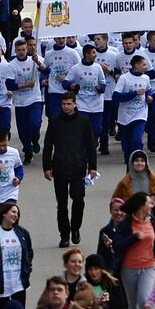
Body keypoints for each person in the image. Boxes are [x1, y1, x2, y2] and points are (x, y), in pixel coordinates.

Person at [41, 91, 99, 248]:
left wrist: (92, 167)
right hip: (59, 168)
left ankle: (75, 228)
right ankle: (64, 235)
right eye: (63, 104)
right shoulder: (54, 122)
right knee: (62, 204)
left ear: (75, 104)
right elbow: (47, 146)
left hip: (78, 167)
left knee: (78, 199)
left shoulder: (83, 121)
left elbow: (90, 145)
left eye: (69, 104)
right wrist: (47, 167)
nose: (66, 107)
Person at [113, 192, 155, 309]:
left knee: (144, 301)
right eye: (149, 203)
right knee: (132, 306)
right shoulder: (126, 224)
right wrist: (134, 238)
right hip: (129, 268)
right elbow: (117, 245)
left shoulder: (153, 221)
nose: (151, 205)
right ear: (141, 206)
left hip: (148, 266)